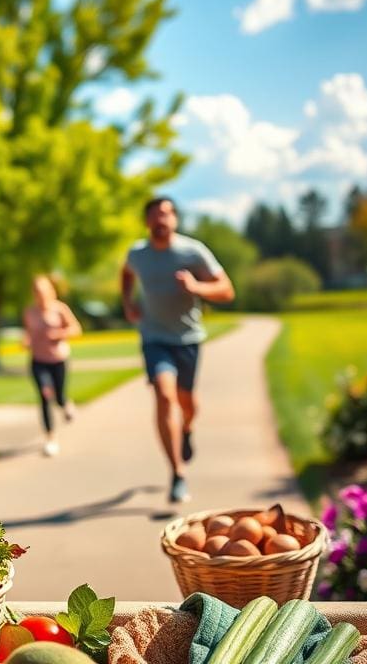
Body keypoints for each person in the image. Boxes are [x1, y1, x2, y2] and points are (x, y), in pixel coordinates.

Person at [120, 196, 235, 504]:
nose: (162, 219)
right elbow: (127, 273)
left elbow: (227, 290)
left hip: (188, 339)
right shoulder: (137, 253)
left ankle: (187, 428)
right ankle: (178, 473)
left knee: (187, 403)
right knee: (164, 394)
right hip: (154, 338)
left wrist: (198, 288)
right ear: (147, 222)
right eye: (156, 215)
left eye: (167, 214)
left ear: (175, 220)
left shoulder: (192, 251)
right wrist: (128, 302)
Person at [22, 275, 83, 457]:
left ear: (50, 291)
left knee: (59, 396)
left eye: (44, 291)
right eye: (37, 292)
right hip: (38, 361)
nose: (41, 295)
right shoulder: (29, 312)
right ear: (34, 293)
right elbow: (29, 333)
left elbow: (76, 329)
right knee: (44, 395)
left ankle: (66, 404)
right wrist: (26, 341)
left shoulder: (60, 309)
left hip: (58, 360)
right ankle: (50, 438)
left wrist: (59, 333)